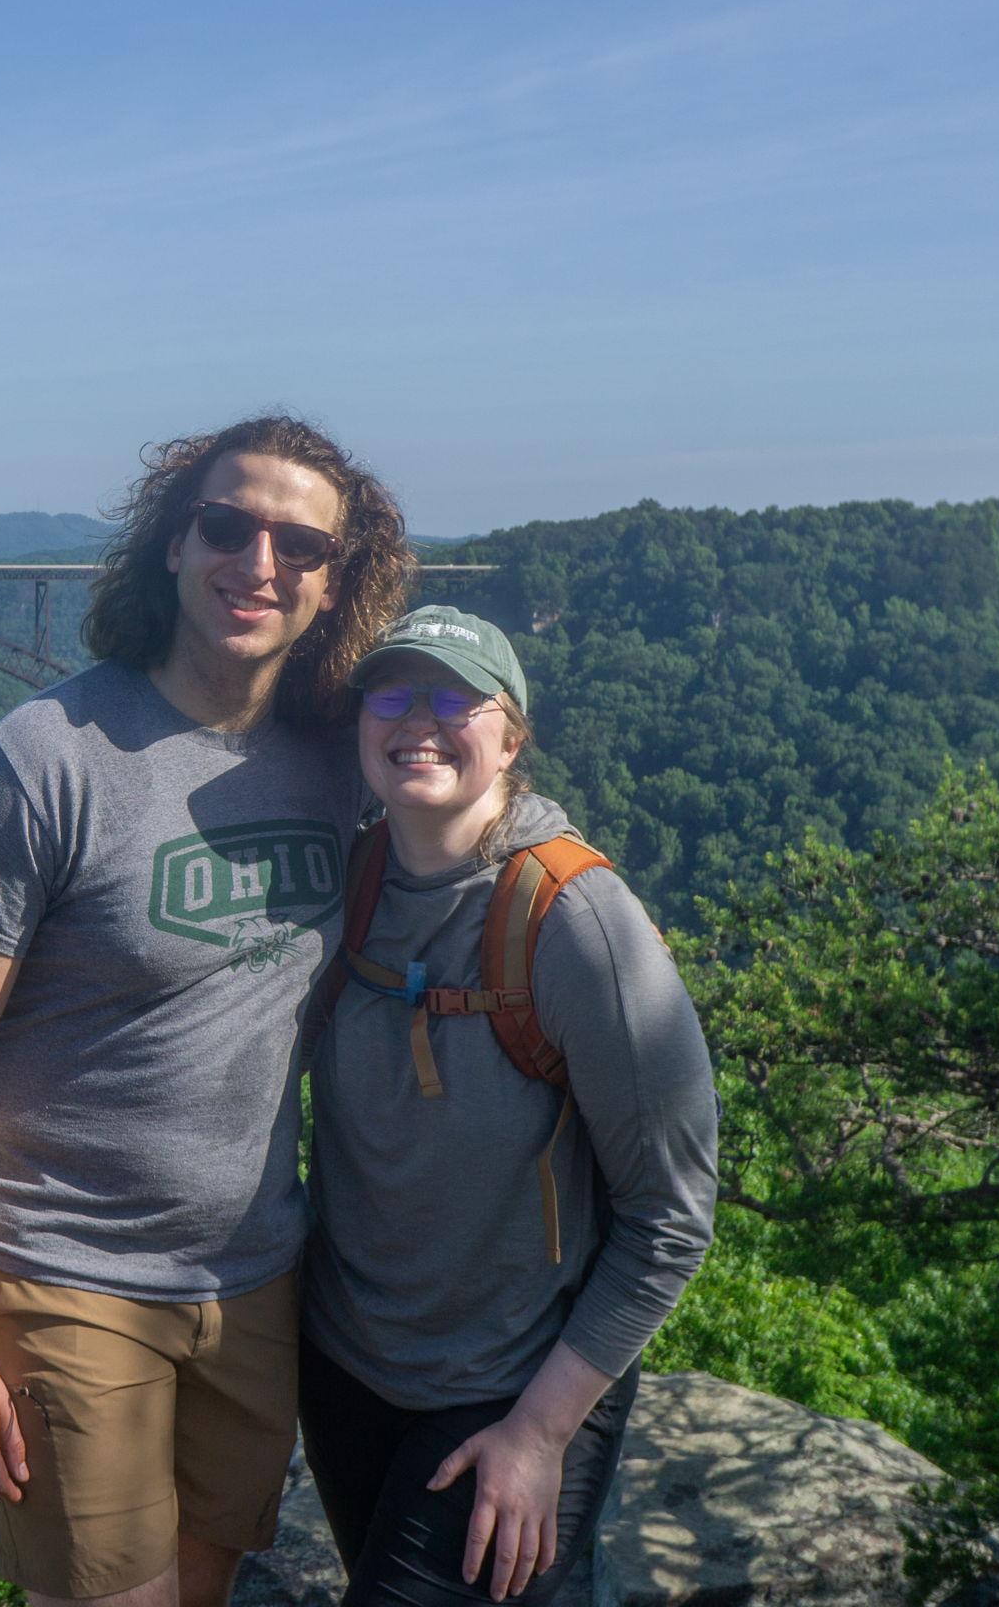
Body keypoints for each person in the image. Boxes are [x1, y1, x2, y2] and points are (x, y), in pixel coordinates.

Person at [0, 414, 414, 1607]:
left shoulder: (343, 758)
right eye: (226, 526)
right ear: (172, 545)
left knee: (202, 1586)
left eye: (299, 543)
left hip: (252, 1281)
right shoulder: (44, 758)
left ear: (338, 581)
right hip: (65, 1274)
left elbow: (475, 792)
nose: (259, 562)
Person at [300, 606, 719, 1606]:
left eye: (455, 697)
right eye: (391, 693)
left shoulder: (575, 920)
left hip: (505, 1385)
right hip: (346, 1372)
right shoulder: (348, 875)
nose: (418, 720)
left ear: (511, 732)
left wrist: (538, 1433)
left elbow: (670, 1212)